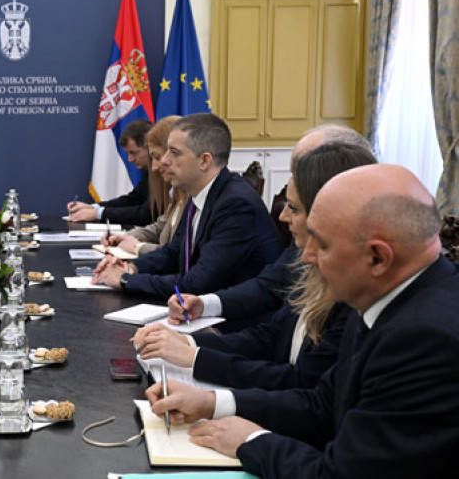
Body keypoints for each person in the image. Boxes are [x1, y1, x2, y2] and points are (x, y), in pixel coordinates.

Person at [147, 164, 459, 478]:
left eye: (321, 244)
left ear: (377, 258)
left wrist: (252, 441)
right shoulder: (385, 296)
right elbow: (322, 405)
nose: (307, 256)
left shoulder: (426, 339)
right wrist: (210, 403)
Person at [133, 142, 377, 390]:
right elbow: (272, 333)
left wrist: (199, 366)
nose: (282, 216)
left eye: (293, 208)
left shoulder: (352, 294)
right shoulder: (307, 259)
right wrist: (188, 344)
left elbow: (305, 387)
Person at [165, 125, 372, 327]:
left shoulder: (357, 285)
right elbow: (272, 285)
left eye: (304, 170)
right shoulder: (304, 238)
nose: (293, 182)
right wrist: (204, 306)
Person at [93, 113, 282, 302]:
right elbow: (174, 253)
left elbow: (198, 283)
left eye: (174, 153)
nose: (163, 161)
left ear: (204, 161)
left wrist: (126, 280)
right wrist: (132, 267)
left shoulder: (236, 205)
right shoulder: (200, 194)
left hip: (235, 316)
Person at [101, 115, 187, 255]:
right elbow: (161, 227)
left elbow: (182, 256)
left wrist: (138, 248)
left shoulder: (213, 201)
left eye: (157, 157)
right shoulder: (179, 191)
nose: (154, 167)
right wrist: (127, 236)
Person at [67, 120, 155, 226]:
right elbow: (133, 199)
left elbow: (145, 214)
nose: (130, 159)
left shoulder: (164, 173)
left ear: (150, 148)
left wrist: (99, 214)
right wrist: (93, 208)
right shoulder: (150, 171)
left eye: (134, 153)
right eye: (128, 153)